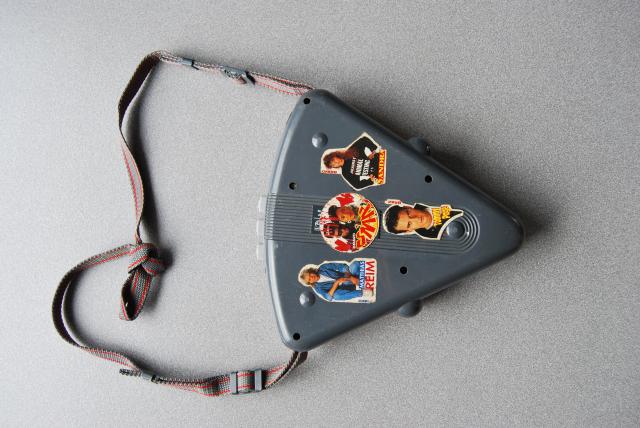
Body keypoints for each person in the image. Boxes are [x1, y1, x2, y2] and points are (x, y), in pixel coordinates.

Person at [384, 203, 463, 239]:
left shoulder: (427, 198)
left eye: (409, 213)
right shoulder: (433, 236)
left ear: (408, 207)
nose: (416, 219)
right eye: (409, 224)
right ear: (408, 231)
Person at [298, 262, 363, 302]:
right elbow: (328, 297)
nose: (312, 277)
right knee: (336, 296)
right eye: (309, 279)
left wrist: (350, 277)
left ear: (311, 271)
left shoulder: (323, 268)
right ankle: (363, 293)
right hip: (346, 287)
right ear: (310, 283)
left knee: (355, 265)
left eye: (310, 275)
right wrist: (336, 283)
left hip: (349, 275)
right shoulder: (318, 288)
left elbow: (340, 267)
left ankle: (363, 278)